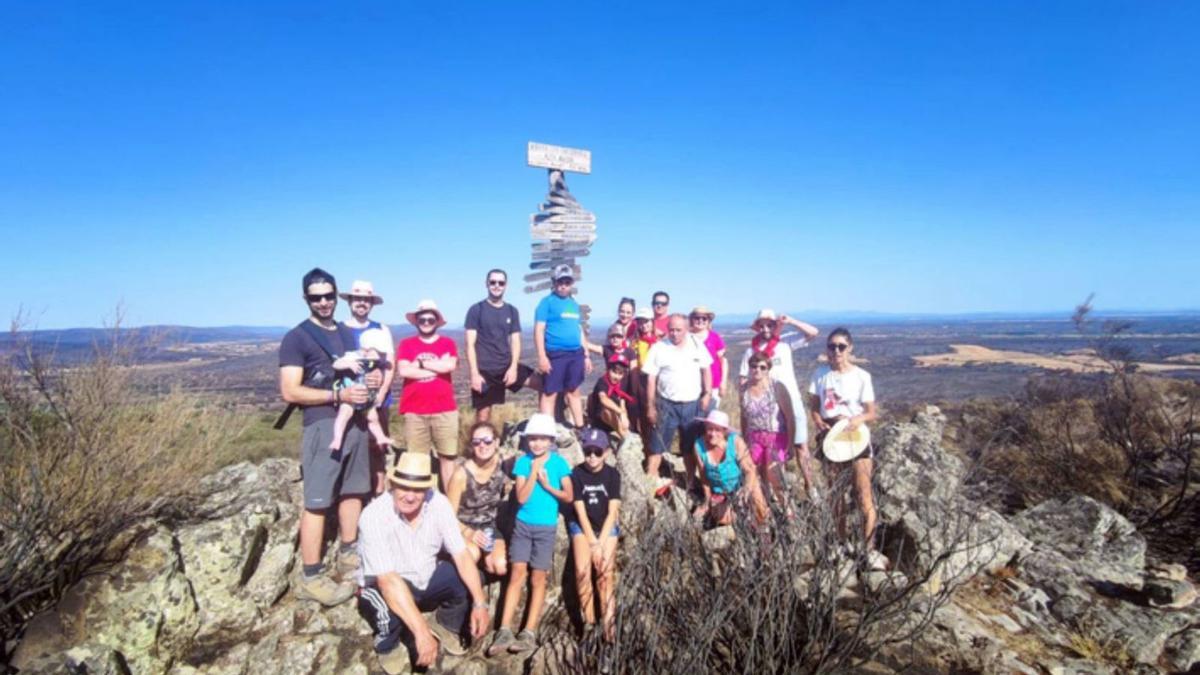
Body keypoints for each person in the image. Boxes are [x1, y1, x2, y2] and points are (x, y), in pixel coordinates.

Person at [279, 268, 373, 605]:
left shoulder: (347, 335)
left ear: (336, 296)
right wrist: (337, 398)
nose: (323, 302)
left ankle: (348, 552)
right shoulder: (297, 338)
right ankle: (312, 574)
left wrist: (367, 388)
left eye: (328, 295)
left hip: (355, 421)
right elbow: (290, 391)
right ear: (306, 298)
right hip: (322, 424)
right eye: (316, 296)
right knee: (317, 501)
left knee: (353, 489)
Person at [356, 452, 492, 673]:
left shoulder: (439, 504)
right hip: (386, 584)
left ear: (427, 489)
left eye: (418, 490)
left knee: (471, 580)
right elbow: (387, 580)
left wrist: (480, 603)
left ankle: (445, 623)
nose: (410, 496)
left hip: (425, 579)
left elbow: (461, 554)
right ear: (392, 484)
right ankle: (387, 645)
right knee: (386, 616)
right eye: (404, 488)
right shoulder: (373, 515)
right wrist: (421, 633)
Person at [488, 413, 573, 656]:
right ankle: (504, 628)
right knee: (516, 574)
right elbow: (522, 497)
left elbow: (568, 495)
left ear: (550, 441)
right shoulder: (524, 463)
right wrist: (535, 471)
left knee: (538, 578)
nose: (536, 444)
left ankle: (529, 631)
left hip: (546, 528)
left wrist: (548, 486)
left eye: (541, 439)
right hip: (523, 526)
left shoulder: (558, 464)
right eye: (532, 439)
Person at [808, 327, 883, 569]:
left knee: (863, 494)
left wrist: (855, 420)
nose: (836, 351)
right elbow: (814, 407)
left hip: (856, 437)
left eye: (841, 346)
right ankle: (840, 543)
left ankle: (868, 548)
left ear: (850, 348)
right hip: (830, 439)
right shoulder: (820, 374)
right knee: (836, 495)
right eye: (832, 346)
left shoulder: (862, 376)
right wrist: (819, 423)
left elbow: (871, 412)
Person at [738, 309, 821, 499]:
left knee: (800, 445)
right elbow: (742, 378)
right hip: (766, 407)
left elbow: (813, 332)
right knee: (770, 450)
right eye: (762, 325)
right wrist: (744, 399)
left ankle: (810, 486)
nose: (766, 328)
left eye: (770, 324)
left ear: (776, 325)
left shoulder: (785, 343)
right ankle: (775, 492)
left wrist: (791, 320)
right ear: (757, 327)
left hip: (790, 399)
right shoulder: (751, 351)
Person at [643, 314, 712, 492]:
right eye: (671, 329)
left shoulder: (697, 345)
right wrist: (650, 406)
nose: (674, 333)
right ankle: (650, 480)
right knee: (657, 444)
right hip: (666, 404)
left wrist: (707, 394)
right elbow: (651, 379)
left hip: (692, 404)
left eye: (678, 330)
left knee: (689, 446)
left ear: (686, 329)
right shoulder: (659, 348)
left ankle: (690, 482)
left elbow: (706, 370)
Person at [339, 280, 397, 494]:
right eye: (358, 298)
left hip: (377, 398)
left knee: (376, 446)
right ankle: (353, 492)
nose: (361, 303)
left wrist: (382, 391)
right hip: (349, 396)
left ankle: (378, 491)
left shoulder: (381, 329)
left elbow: (390, 363)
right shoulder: (339, 329)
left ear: (372, 303)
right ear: (350, 301)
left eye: (366, 299)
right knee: (351, 443)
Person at [396, 300, 459, 490]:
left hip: (445, 410)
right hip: (415, 411)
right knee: (417, 462)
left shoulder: (448, 343)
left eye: (430, 319)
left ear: (437, 321)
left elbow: (450, 366)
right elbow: (404, 371)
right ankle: (421, 506)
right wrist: (436, 367)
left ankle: (450, 507)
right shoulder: (406, 344)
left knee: (448, 459)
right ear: (416, 321)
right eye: (422, 319)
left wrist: (420, 364)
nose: (426, 322)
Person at [465, 269, 536, 423]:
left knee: (545, 384)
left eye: (500, 283)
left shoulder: (512, 311)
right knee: (483, 414)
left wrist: (513, 367)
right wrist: (474, 373)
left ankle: (549, 429)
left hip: (506, 366)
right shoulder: (476, 310)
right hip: (485, 370)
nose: (496, 286)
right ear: (486, 284)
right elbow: (469, 344)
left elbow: (516, 341)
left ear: (506, 286)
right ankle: (481, 444)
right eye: (493, 282)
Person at [569, 427, 621, 641]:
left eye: (597, 452)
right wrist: (593, 544)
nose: (591, 457)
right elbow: (580, 511)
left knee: (605, 574)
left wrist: (600, 544)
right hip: (583, 526)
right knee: (582, 572)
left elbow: (613, 512)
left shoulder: (612, 475)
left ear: (606, 452)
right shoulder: (577, 474)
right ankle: (589, 623)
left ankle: (609, 627)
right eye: (588, 451)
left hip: (606, 526)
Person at [446, 422, 510, 578]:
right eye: (476, 442)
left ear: (496, 442)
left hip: (489, 526)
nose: (482, 445)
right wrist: (468, 533)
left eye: (487, 441)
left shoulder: (503, 464)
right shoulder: (461, 474)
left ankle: (483, 563)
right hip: (462, 527)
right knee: (471, 554)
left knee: (500, 566)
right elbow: (447, 516)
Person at [534, 265, 592, 428]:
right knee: (550, 393)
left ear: (571, 283)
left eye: (567, 281)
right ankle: (547, 431)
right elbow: (539, 329)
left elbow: (579, 330)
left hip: (575, 354)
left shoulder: (573, 304)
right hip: (556, 354)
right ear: (555, 282)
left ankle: (580, 428)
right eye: (561, 281)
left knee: (573, 390)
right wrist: (542, 356)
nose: (564, 285)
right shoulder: (546, 303)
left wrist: (586, 354)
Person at [693, 410, 768, 526]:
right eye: (709, 429)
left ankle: (763, 526)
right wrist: (707, 501)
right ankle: (743, 516)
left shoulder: (735, 442)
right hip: (721, 492)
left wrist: (746, 490)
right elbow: (704, 477)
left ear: (724, 431)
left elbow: (750, 470)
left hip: (741, 486)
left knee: (756, 492)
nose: (712, 434)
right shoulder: (698, 446)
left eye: (717, 430)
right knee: (722, 518)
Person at [739, 351, 796, 505]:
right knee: (756, 476)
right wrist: (744, 439)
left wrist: (790, 444)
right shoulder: (743, 389)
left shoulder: (777, 387)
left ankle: (788, 513)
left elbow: (790, 417)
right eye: (753, 366)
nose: (757, 370)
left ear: (768, 369)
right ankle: (764, 512)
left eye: (762, 367)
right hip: (754, 437)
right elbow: (744, 416)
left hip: (776, 437)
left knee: (775, 476)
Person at [328, 332, 394, 453]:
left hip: (367, 397)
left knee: (373, 418)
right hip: (350, 396)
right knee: (343, 415)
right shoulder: (352, 356)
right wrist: (348, 364)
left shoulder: (377, 361)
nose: (380, 356)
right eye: (378, 352)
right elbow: (336, 364)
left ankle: (380, 437)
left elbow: (387, 366)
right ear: (366, 349)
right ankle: (337, 438)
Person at [587, 352, 640, 441]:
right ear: (608, 370)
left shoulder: (622, 383)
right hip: (601, 419)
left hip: (617, 417)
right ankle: (623, 436)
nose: (617, 377)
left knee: (626, 421)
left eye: (620, 374)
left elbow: (622, 402)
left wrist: (624, 416)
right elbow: (603, 399)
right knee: (607, 410)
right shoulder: (602, 382)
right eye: (614, 372)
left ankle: (626, 432)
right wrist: (620, 412)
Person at [688, 305, 728, 407]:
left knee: (710, 417)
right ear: (692, 320)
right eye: (697, 318)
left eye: (704, 318)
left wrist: (723, 383)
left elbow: (723, 362)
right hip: (692, 386)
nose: (700, 320)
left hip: (714, 384)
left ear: (708, 321)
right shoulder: (686, 337)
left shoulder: (715, 337)